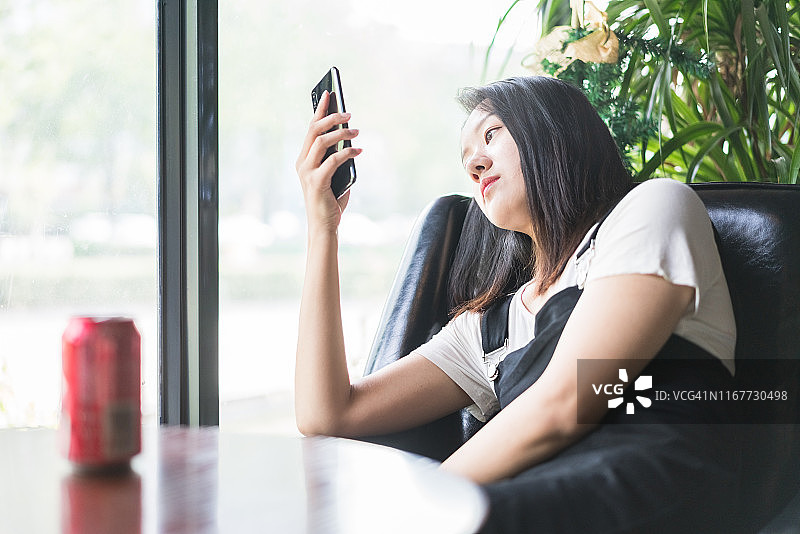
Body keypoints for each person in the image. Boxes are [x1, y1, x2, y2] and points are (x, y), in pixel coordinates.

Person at [294, 76, 739, 533]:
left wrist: (416, 508)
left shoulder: (651, 208)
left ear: (555, 131)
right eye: (467, 160)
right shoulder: (489, 329)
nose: (475, 165)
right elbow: (327, 415)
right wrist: (323, 229)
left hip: (653, 494)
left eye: (491, 134)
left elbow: (566, 403)